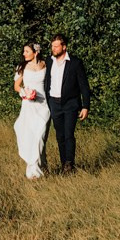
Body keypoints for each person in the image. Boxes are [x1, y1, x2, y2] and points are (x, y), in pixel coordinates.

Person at [44, 35, 91, 173]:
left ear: (64, 47)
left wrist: (85, 106)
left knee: (69, 134)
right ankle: (63, 163)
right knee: (60, 136)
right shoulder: (49, 61)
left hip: (71, 103)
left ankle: (69, 165)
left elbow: (84, 85)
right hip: (54, 103)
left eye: (56, 46)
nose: (53, 49)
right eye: (52, 46)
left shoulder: (75, 63)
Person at [12, 43, 50, 179]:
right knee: (30, 135)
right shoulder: (22, 67)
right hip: (28, 104)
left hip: (43, 105)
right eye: (24, 51)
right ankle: (34, 170)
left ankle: (40, 166)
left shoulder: (46, 65)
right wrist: (24, 92)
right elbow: (16, 86)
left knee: (40, 135)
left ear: (36, 52)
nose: (24, 54)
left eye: (27, 51)